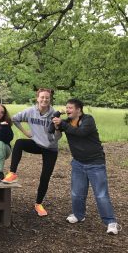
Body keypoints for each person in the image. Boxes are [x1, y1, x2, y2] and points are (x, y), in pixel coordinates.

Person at [52, 99, 121, 235]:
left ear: (79, 110)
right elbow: (54, 135)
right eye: (66, 107)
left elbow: (81, 133)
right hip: (78, 163)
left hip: (95, 163)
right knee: (77, 193)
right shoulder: (65, 122)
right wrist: (56, 124)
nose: (67, 110)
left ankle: (111, 222)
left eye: (70, 108)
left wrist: (62, 125)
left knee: (101, 195)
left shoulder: (88, 120)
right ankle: (78, 215)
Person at [2, 88, 62, 217]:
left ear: (50, 99)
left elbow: (57, 138)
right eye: (42, 97)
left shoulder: (54, 114)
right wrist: (26, 132)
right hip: (36, 144)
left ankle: (38, 204)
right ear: (37, 98)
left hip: (50, 148)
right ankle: (12, 173)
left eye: (47, 97)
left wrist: (57, 128)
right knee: (19, 143)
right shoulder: (30, 111)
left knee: (45, 177)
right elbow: (14, 119)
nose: (44, 99)